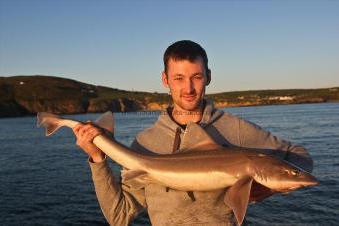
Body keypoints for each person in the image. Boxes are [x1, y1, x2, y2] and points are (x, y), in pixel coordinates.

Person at [73, 40, 313, 226]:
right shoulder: (146, 144)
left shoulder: (235, 129)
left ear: (208, 76)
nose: (188, 88)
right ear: (165, 80)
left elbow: (300, 157)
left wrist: (268, 189)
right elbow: (119, 216)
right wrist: (98, 159)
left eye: (196, 77)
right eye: (179, 78)